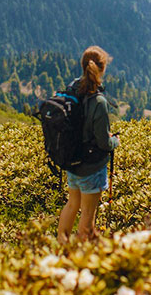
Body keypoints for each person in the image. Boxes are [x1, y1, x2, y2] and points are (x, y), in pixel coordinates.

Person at [57, 45, 120, 243]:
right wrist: (115, 141)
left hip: (72, 161)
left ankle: (61, 246)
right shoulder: (98, 101)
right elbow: (103, 141)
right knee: (88, 214)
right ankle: (79, 258)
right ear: (102, 68)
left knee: (72, 205)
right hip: (91, 166)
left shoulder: (72, 88)